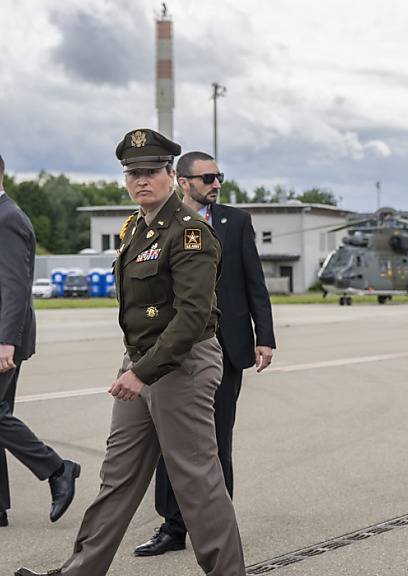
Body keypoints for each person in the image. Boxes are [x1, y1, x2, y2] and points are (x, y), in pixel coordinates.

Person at [17, 129, 245, 576]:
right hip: (140, 363)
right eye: (132, 173)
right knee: (117, 478)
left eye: (150, 172)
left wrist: (142, 372)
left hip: (181, 365)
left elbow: (193, 315)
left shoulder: (190, 232)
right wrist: (136, 368)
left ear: (171, 176)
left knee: (196, 480)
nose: (141, 181)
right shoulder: (136, 228)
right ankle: (79, 571)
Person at [134, 151, 276, 557]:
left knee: (217, 441)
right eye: (208, 178)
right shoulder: (160, 222)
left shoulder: (237, 221)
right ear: (183, 181)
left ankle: (217, 526)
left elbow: (254, 282)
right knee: (170, 441)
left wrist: (263, 337)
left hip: (227, 347)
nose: (217, 184)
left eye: (219, 177)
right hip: (171, 349)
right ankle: (173, 526)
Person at [0, 153, 80, 529]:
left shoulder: (8, 219)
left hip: (3, 337)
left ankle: (57, 468)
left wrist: (5, 342)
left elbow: (15, 286)